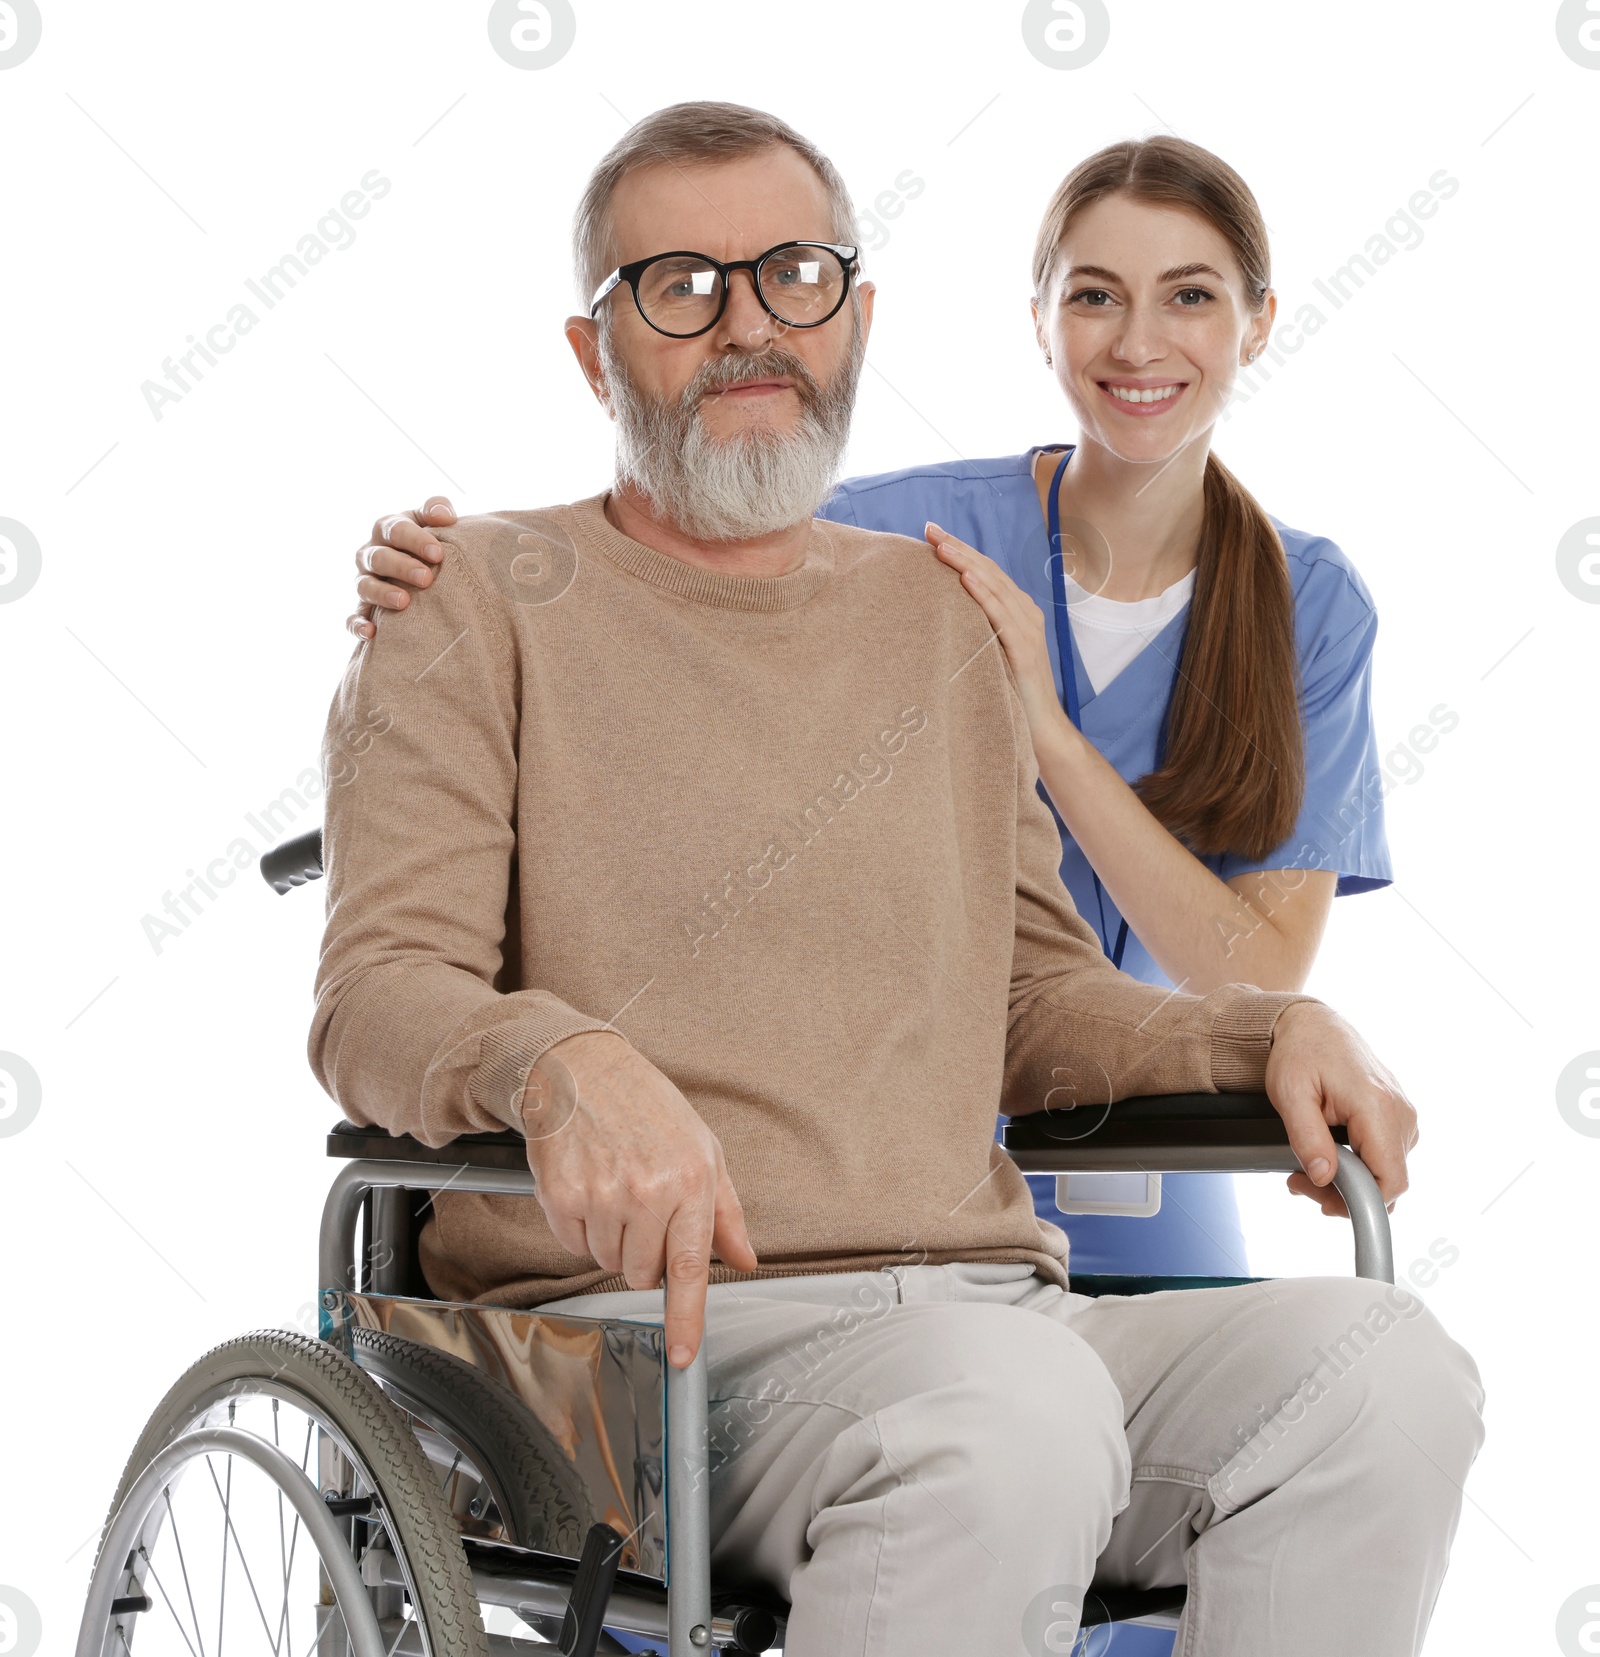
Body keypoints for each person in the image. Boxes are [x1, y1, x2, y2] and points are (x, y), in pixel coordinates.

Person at [312, 101, 1481, 1657]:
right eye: (679, 285)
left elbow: (1039, 996)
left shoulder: (936, 614)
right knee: (1008, 1417)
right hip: (642, 1351)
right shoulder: (476, 598)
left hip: (989, 1320)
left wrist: (1262, 1035)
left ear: (856, 320)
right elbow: (379, 994)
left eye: (793, 275)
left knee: (1383, 1375)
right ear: (596, 352)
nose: (747, 326)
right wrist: (561, 1060)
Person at [344, 134, 1391, 1288]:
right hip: (828, 1213)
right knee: (1013, 1420)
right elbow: (691, 541)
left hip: (1092, 1137)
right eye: (1095, 296)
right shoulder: (910, 535)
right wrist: (451, 590)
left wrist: (1039, 718)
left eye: (1188, 296)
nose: (1138, 342)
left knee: (1368, 1377)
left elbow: (1208, 968)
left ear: (1258, 319)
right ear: (1038, 319)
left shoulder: (1279, 599)